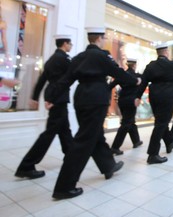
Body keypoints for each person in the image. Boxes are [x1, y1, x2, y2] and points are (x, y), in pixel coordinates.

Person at [45, 27, 141, 200]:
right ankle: (64, 187)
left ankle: (108, 166)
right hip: (96, 99)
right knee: (83, 141)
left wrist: (51, 97)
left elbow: (65, 80)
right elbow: (118, 73)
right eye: (103, 39)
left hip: (80, 98)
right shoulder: (102, 56)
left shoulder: (79, 58)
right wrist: (135, 80)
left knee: (95, 135)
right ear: (99, 39)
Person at [15, 35, 74, 179]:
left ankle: (72, 157)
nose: (71, 46)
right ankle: (26, 166)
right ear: (65, 44)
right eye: (70, 43)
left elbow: (42, 80)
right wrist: (52, 98)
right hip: (58, 98)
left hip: (54, 97)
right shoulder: (64, 59)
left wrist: (35, 97)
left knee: (64, 130)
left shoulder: (51, 59)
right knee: (49, 134)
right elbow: (66, 80)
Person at [135, 42, 173, 164]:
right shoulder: (172, 65)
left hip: (154, 97)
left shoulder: (150, 66)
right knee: (161, 124)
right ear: (166, 52)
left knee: (161, 121)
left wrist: (137, 96)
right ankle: (152, 154)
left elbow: (143, 82)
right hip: (167, 97)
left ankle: (170, 142)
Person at [110, 58, 143, 155]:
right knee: (126, 123)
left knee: (130, 121)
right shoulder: (136, 76)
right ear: (134, 65)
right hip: (131, 101)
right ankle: (115, 147)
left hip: (122, 100)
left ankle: (136, 141)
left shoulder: (121, 75)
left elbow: (111, 85)